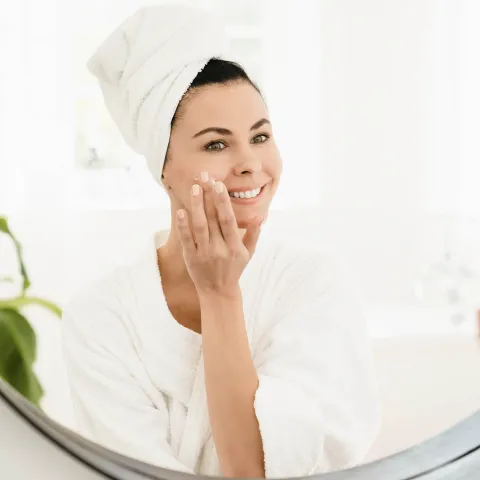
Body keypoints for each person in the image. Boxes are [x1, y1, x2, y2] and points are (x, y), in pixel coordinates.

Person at [61, 4, 380, 479]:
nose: (250, 163)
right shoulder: (102, 319)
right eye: (216, 144)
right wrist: (218, 290)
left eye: (260, 136)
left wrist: (220, 292)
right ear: (163, 170)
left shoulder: (314, 287)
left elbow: (260, 470)